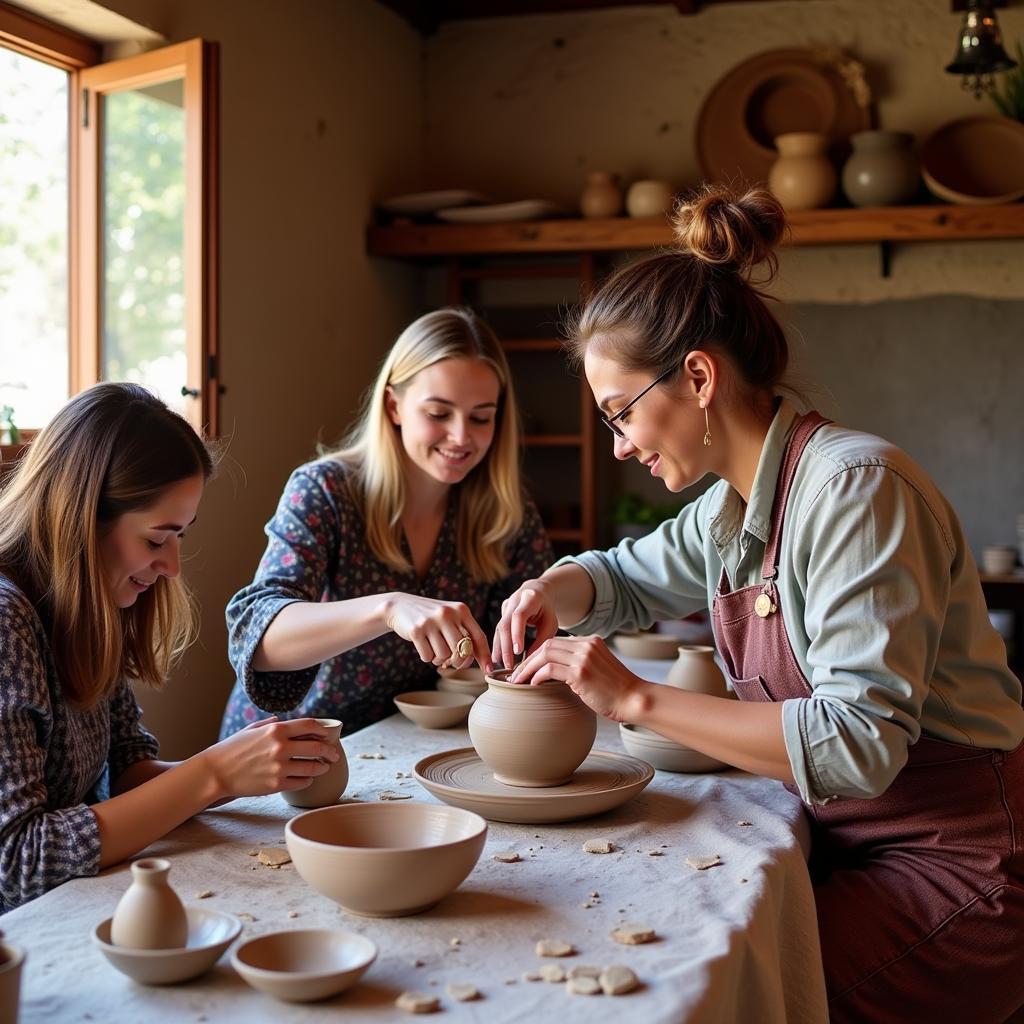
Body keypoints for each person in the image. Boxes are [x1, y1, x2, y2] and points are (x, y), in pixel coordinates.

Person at [492, 185, 1024, 1022]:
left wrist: (633, 698)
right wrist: (545, 590)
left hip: (956, 868)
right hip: (849, 844)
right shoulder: (731, 504)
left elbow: (858, 745)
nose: (622, 445)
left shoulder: (853, 490)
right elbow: (626, 579)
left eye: (621, 413)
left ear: (697, 376)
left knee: (727, 997)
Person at [0, 383, 341, 912]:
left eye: (181, 536)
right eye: (157, 539)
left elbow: (127, 771)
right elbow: (20, 861)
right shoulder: (7, 622)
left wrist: (241, 766)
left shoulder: (90, 607)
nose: (172, 567)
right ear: (80, 520)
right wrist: (212, 774)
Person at [220, 308, 553, 737]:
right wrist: (388, 607)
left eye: (481, 417)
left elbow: (525, 647)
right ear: (394, 406)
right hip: (287, 750)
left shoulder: (506, 512)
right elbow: (257, 638)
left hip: (409, 742)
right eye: (438, 413)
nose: (460, 437)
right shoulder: (325, 491)